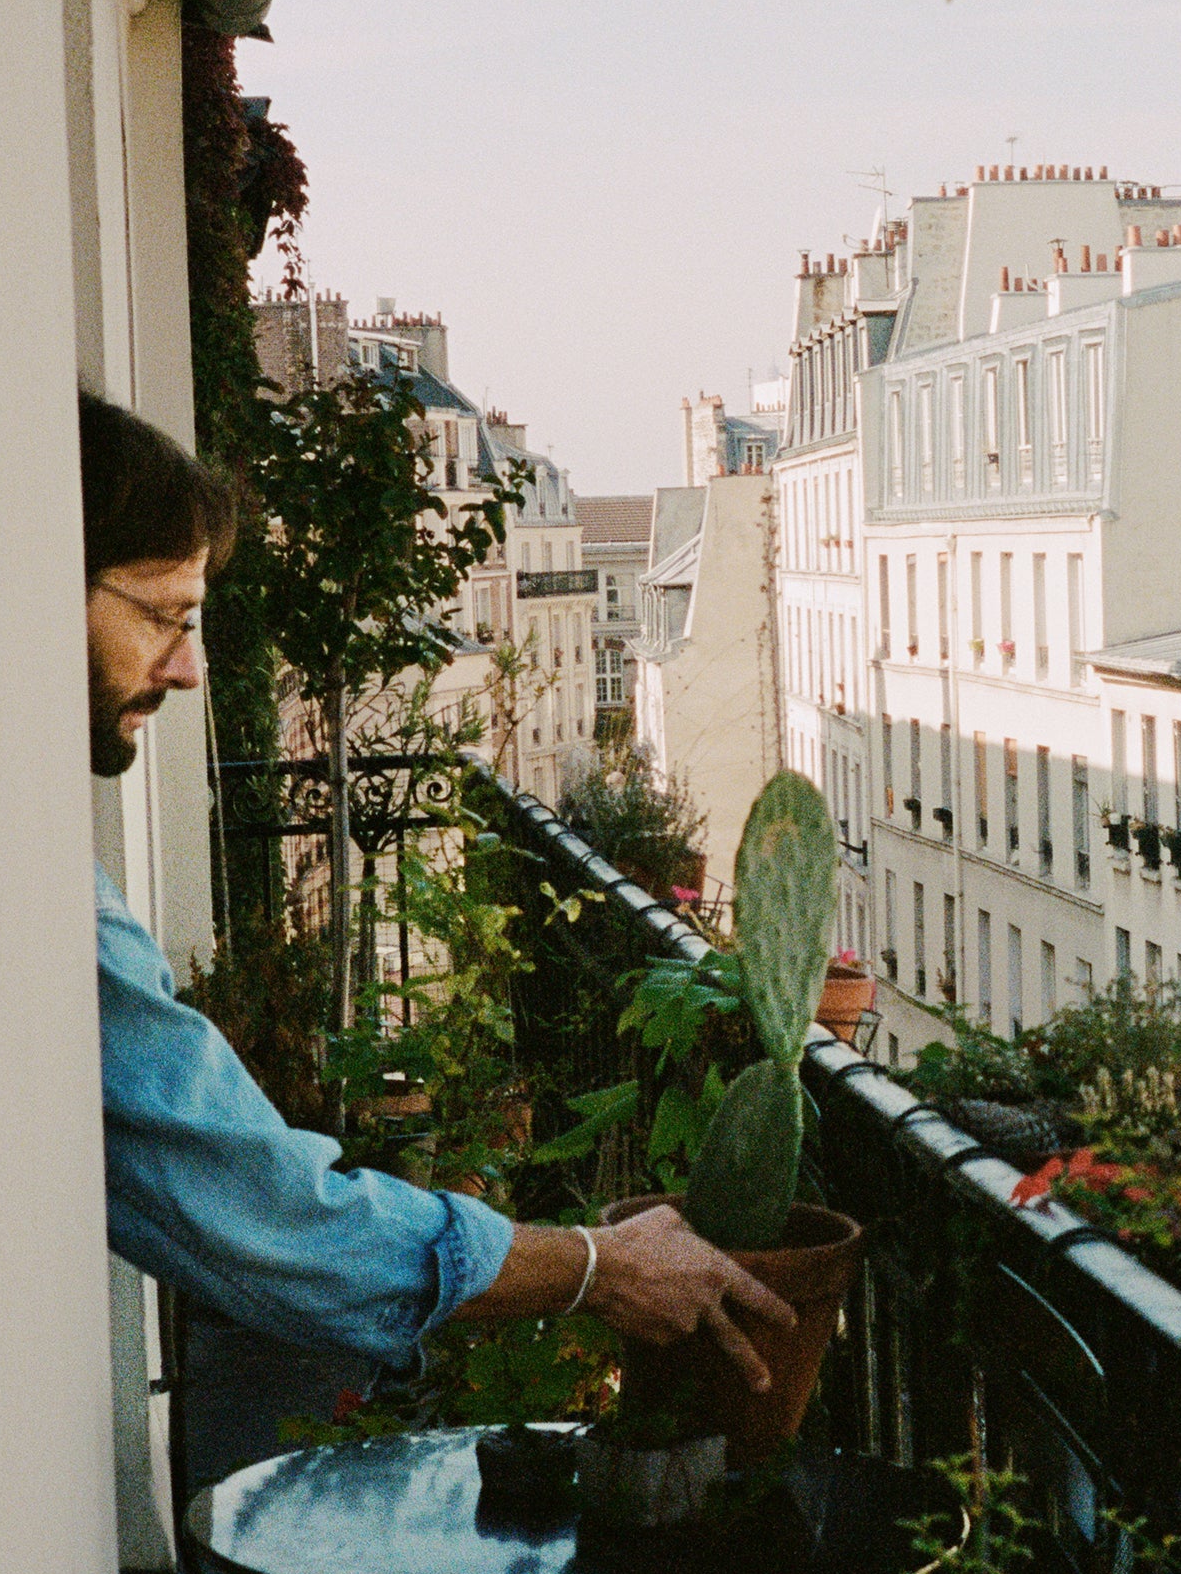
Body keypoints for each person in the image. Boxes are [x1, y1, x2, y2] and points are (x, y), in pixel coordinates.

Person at [80, 390, 788, 1383]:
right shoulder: (33, 903)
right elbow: (266, 1215)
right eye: (168, 615)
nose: (193, 668)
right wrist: (594, 1266)